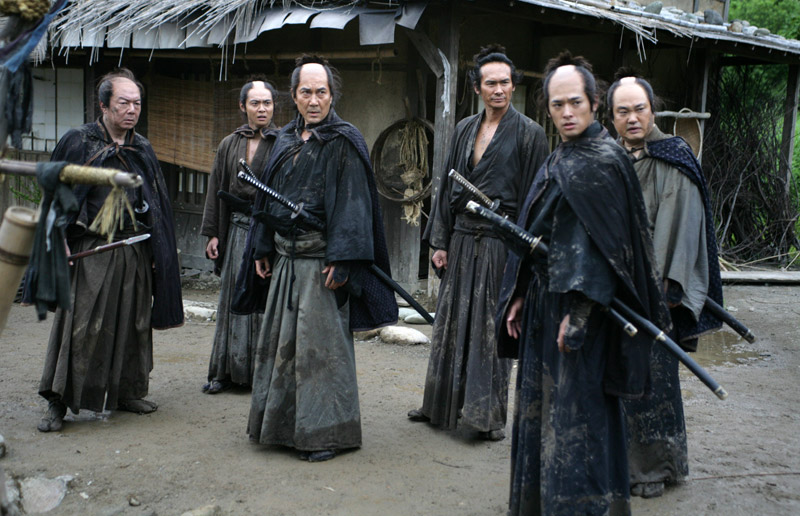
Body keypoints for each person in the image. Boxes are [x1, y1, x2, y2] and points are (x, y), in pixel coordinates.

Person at [495, 52, 671, 515]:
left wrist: (578, 316)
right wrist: (520, 292)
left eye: (575, 102)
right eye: (557, 105)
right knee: (545, 412)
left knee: (579, 417)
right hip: (545, 305)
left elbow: (609, 251)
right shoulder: (561, 155)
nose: (567, 112)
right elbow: (540, 231)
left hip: (584, 316)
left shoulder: (604, 160)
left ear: (594, 102)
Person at [245, 56, 397, 462]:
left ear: (332, 95)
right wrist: (262, 246)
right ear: (294, 96)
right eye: (306, 92)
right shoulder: (284, 139)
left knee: (322, 351)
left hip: (322, 265)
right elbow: (266, 198)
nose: (314, 101)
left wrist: (343, 260)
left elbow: (354, 206)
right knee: (283, 346)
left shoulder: (345, 140)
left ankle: (327, 433)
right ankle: (280, 428)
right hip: (285, 262)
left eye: (321, 92)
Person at [409, 44, 549, 441]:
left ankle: (485, 417)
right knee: (450, 324)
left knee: (491, 328)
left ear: (513, 85)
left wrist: (522, 257)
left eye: (505, 82)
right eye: (491, 83)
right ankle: (438, 406)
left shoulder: (530, 134)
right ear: (477, 88)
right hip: (461, 238)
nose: (499, 90)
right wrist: (439, 241)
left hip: (501, 244)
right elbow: (446, 186)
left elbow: (536, 202)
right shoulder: (464, 129)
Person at [37, 68, 183, 432]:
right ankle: (58, 400)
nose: (132, 110)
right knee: (81, 326)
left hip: (134, 250)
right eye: (124, 103)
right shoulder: (78, 142)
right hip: (93, 250)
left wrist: (158, 252)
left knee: (133, 324)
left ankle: (127, 392)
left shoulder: (141, 148)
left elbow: (157, 204)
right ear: (103, 106)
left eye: (137, 103)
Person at [608, 74, 723, 498]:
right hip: (614, 288)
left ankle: (656, 468)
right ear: (612, 117)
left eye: (639, 109)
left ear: (652, 110)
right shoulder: (609, 157)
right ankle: (618, 463)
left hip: (657, 292)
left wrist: (664, 288)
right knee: (615, 377)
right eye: (623, 111)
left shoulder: (674, 157)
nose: (632, 118)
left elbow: (682, 226)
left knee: (653, 379)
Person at [199, 80, 279, 395]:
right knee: (234, 299)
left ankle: (264, 375)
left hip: (269, 234)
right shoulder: (229, 144)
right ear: (242, 106)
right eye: (255, 103)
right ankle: (226, 371)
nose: (262, 109)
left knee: (265, 302)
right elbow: (216, 189)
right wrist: (213, 234)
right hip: (236, 232)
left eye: (267, 103)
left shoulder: (283, 142)